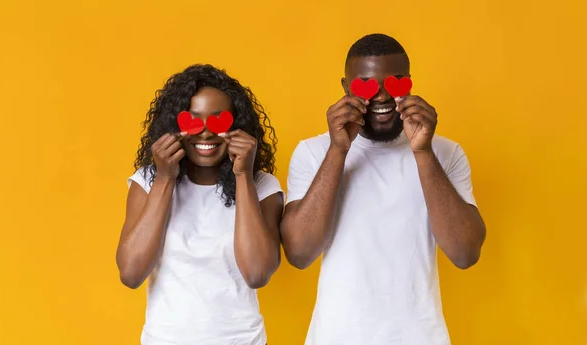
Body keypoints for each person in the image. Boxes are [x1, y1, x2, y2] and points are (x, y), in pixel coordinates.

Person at [280, 34, 487, 345]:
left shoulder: (445, 152)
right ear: (346, 88)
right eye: (366, 85)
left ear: (409, 83)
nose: (380, 97)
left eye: (394, 84)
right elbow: (298, 253)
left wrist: (423, 152)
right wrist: (338, 149)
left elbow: (465, 253)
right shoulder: (313, 153)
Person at [116, 64, 283, 345]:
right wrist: (166, 178)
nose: (205, 134)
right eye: (192, 122)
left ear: (237, 127)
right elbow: (131, 273)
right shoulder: (147, 182)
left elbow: (257, 273)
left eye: (219, 122)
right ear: (172, 128)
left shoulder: (262, 186)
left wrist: (243, 175)